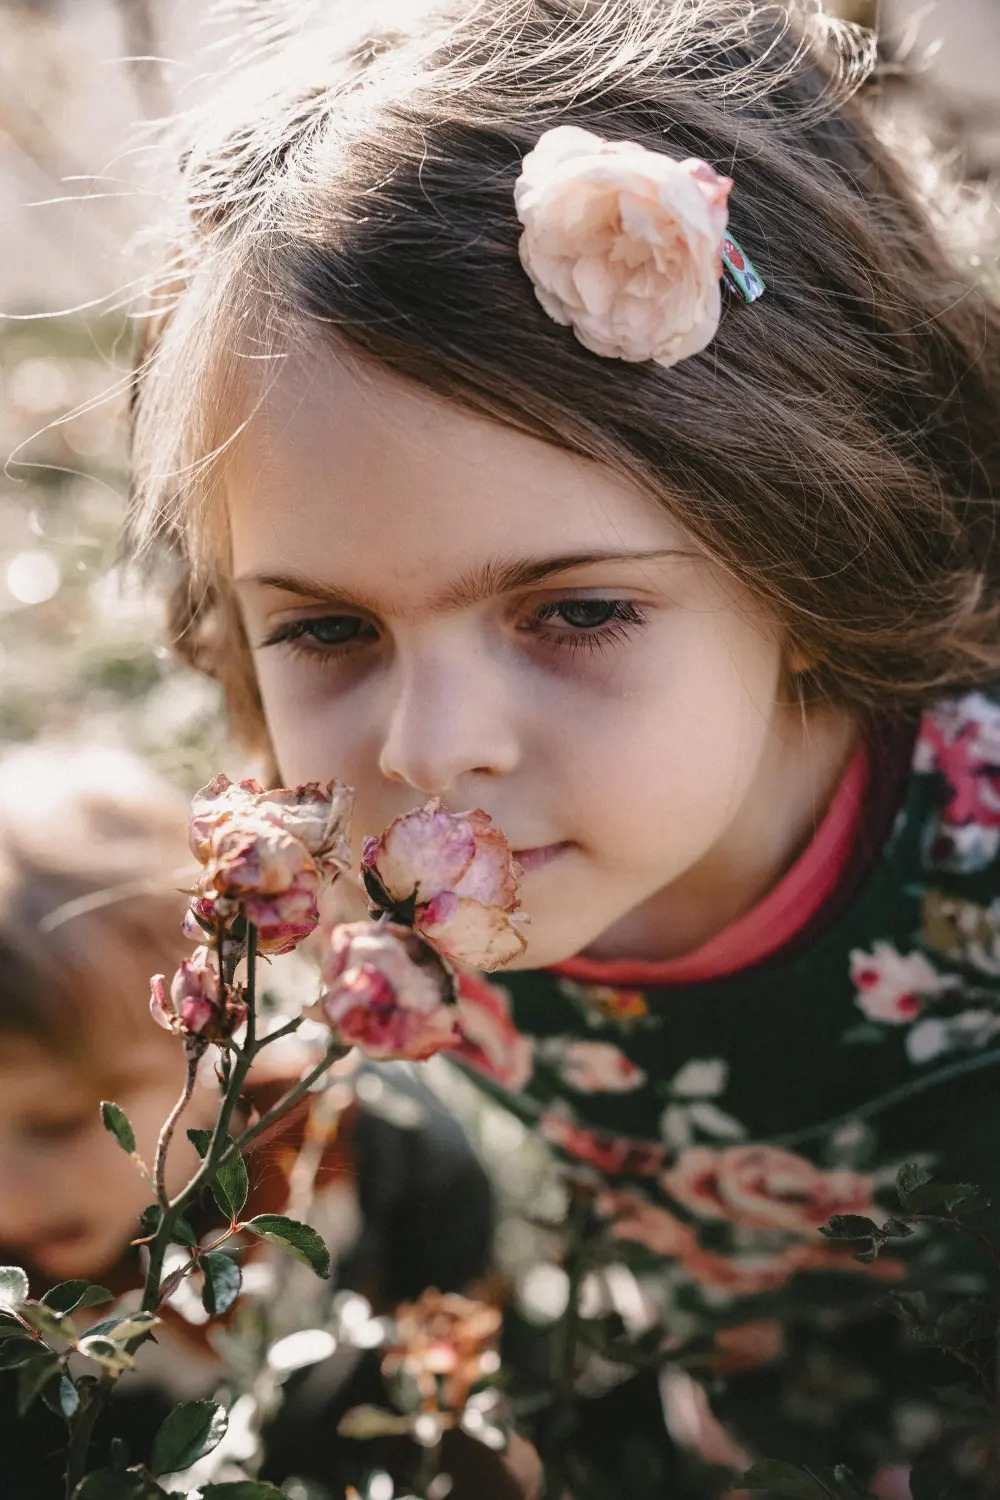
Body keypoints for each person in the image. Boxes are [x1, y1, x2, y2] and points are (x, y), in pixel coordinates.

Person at [125, 0, 1000, 1492]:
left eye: (578, 610)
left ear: (809, 547)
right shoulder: (392, 926)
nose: (432, 747)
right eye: (327, 629)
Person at [0, 743, 493, 1496]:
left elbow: (465, 1328)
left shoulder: (368, 1149)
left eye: (60, 1121)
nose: (8, 1193)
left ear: (209, 1016)